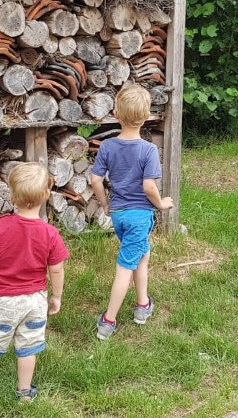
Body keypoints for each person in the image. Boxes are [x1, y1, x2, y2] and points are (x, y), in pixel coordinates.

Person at [0, 162, 69, 409]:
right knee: (28, 347)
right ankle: (25, 392)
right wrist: (56, 296)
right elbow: (57, 268)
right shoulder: (50, 233)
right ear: (47, 195)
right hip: (35, 300)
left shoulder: (0, 227)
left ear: (12, 197)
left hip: (5, 300)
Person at [90, 84, 174, 340]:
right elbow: (149, 186)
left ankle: (143, 304)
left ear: (116, 114)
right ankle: (108, 321)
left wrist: (104, 203)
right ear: (147, 115)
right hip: (139, 217)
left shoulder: (107, 146)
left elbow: (95, 180)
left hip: (119, 214)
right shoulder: (148, 150)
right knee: (125, 267)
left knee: (142, 255)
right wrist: (161, 204)